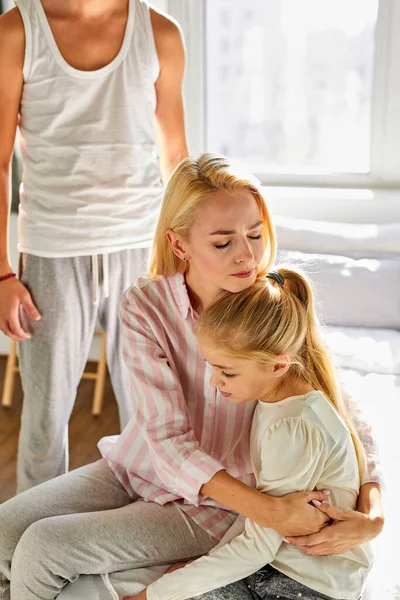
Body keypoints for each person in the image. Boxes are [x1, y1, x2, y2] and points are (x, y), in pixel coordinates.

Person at [0, 155, 383, 600]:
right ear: (179, 245)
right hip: (138, 467)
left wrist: (372, 516)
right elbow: (163, 437)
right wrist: (273, 513)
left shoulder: (274, 304)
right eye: (223, 243)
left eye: (255, 234)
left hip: (225, 502)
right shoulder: (146, 303)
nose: (247, 254)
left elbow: (343, 411)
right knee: (4, 535)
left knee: (45, 548)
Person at [0, 0, 188, 492]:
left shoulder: (161, 33)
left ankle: (140, 537)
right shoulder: (18, 31)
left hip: (143, 252)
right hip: (52, 251)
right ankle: (19, 555)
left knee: (152, 419)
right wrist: (1, 273)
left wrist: (188, 260)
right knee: (43, 425)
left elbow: (176, 158)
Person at [131, 266, 377, 600]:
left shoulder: (290, 428)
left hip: (303, 584)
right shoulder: (285, 401)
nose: (214, 383)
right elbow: (262, 518)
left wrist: (150, 596)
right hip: (288, 569)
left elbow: (258, 546)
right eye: (212, 367)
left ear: (278, 365)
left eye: (227, 373)